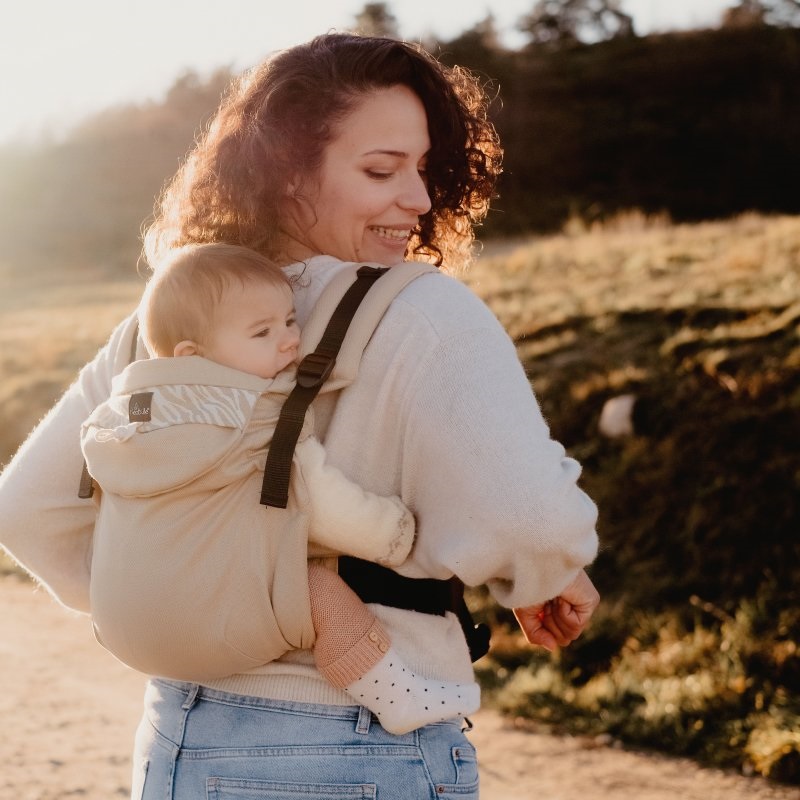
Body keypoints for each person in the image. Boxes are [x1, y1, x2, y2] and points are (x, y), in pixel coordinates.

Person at [0, 33, 600, 799]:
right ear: (287, 176)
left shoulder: (165, 328)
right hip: (358, 745)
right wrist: (551, 573)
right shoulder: (423, 312)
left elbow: (26, 510)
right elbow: (528, 520)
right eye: (382, 170)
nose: (418, 198)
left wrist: (200, 592)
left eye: (423, 168)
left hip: (183, 738)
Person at [81, 240, 479, 734]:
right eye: (262, 332)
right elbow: (326, 507)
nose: (291, 340)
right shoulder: (261, 416)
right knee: (319, 588)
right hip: (222, 623)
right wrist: (397, 532)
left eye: (290, 320)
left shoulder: (123, 419)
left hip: (125, 629)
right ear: (193, 354)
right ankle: (397, 694)